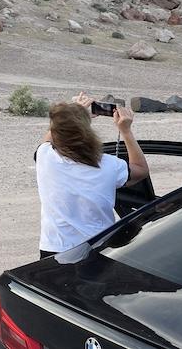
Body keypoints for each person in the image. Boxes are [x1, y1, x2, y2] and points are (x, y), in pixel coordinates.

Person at [35, 92, 149, 259]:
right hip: (98, 246)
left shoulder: (45, 156)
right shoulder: (109, 165)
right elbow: (141, 170)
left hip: (54, 248)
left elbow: (52, 135)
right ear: (87, 133)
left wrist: (75, 113)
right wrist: (125, 131)